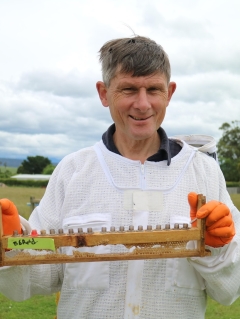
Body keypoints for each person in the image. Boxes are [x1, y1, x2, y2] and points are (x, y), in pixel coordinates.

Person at [0, 35, 239, 319]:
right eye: (128, 89)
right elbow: (39, 275)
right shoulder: (72, 171)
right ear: (103, 93)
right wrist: (15, 243)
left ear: (170, 93)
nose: (142, 104)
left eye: (153, 89)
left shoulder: (203, 172)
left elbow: (228, 291)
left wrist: (217, 249)